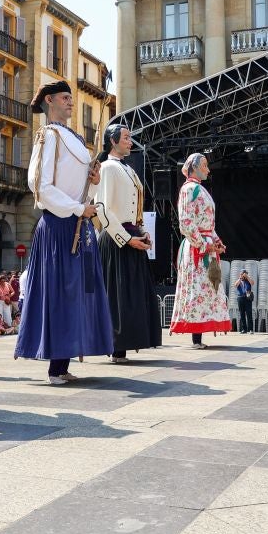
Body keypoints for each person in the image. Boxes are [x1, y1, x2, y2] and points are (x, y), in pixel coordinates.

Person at [16, 80, 114, 382]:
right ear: (49, 101)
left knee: (77, 294)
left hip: (78, 223)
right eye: (65, 97)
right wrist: (75, 208)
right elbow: (39, 186)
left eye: (72, 97)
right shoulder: (47, 135)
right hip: (59, 225)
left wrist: (93, 179)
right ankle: (55, 367)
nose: (71, 102)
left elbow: (76, 183)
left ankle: (63, 363)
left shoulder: (74, 138)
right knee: (60, 294)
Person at [94, 124, 162, 362]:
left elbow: (133, 210)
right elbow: (102, 208)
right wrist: (126, 239)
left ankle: (126, 344)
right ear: (112, 141)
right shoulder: (107, 168)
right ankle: (116, 347)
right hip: (115, 239)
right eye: (125, 138)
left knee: (131, 296)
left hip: (131, 234)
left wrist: (141, 232)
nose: (130, 142)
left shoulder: (128, 169)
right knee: (117, 296)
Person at [170, 153, 230, 348]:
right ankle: (196, 337)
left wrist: (217, 242)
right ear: (194, 167)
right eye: (204, 165)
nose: (208, 169)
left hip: (206, 244)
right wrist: (203, 244)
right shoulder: (189, 189)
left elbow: (208, 225)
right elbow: (186, 222)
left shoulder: (200, 190)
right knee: (197, 288)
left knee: (206, 287)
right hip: (197, 247)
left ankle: (199, 334)